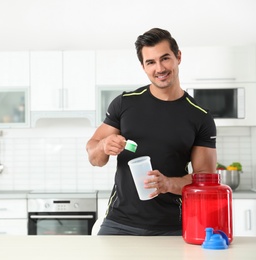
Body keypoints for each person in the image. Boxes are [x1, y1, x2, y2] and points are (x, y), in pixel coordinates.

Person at [86, 28, 217, 236]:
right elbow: (95, 158)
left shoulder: (200, 116)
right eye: (151, 62)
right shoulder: (124, 103)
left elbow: (207, 179)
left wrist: (169, 184)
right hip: (119, 223)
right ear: (143, 67)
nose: (160, 68)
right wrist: (103, 145)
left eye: (165, 58)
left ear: (178, 57)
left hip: (172, 227)